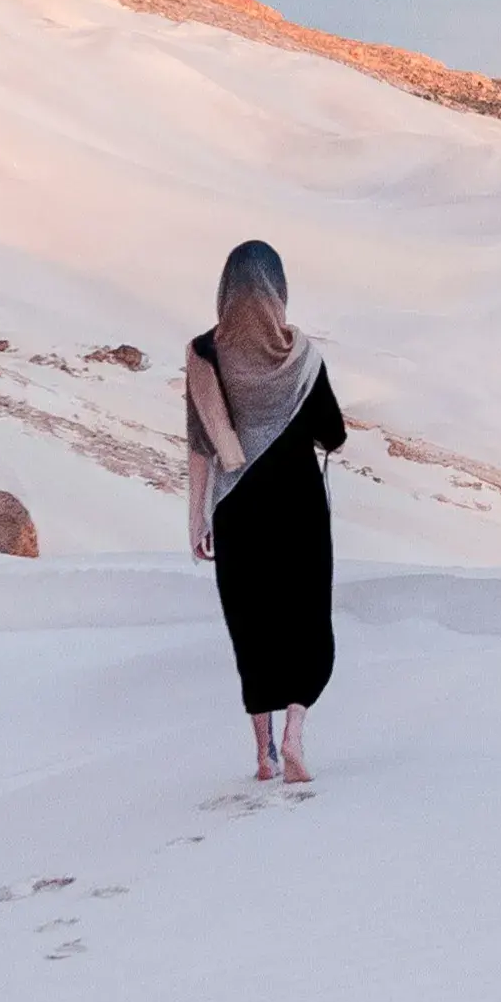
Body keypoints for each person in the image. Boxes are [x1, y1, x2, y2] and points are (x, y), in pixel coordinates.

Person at [179, 237, 349, 787]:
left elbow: (200, 443)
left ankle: (264, 753)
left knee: (252, 626)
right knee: (303, 620)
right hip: (298, 507)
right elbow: (334, 434)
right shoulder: (303, 357)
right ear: (279, 292)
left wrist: (196, 518)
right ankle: (297, 735)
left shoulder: (205, 355)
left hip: (237, 509)